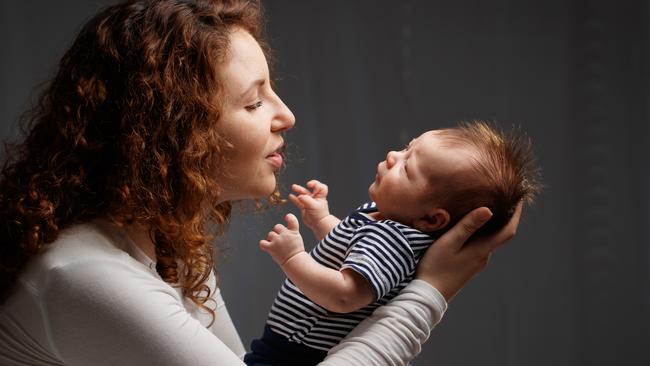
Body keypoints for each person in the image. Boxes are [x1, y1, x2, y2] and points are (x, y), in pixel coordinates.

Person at [0, 1, 523, 365]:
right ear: (171, 134)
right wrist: (431, 292)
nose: (287, 116)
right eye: (253, 102)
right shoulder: (85, 275)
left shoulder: (165, 245)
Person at [246, 122, 541, 365]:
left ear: (431, 220)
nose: (392, 156)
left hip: (297, 352)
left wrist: (293, 257)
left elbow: (346, 295)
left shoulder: (397, 240)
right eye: (406, 149)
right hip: (288, 343)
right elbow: (350, 249)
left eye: (407, 169)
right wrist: (321, 219)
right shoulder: (382, 219)